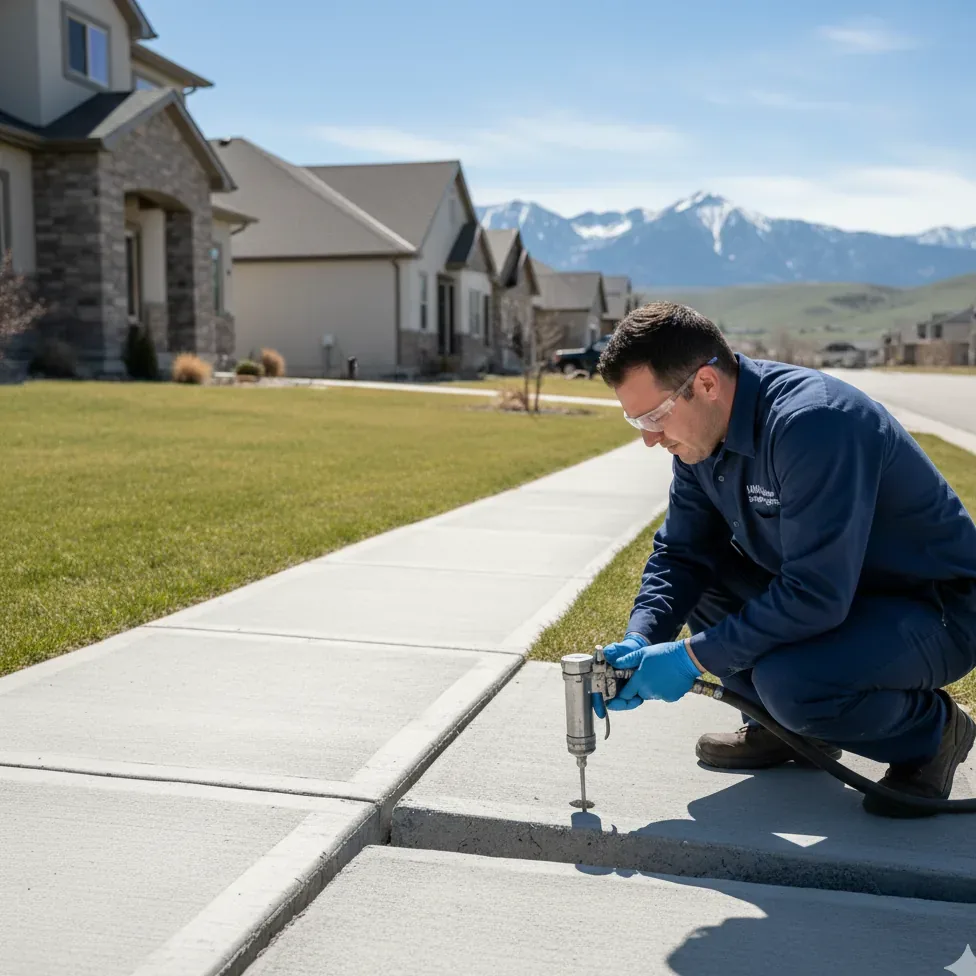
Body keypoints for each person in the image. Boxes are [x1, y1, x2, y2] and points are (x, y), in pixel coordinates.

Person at [592, 302, 976, 817]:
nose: (649, 437)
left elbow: (816, 594)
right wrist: (642, 638)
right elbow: (682, 554)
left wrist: (690, 659)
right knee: (705, 580)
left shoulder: (814, 424)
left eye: (655, 416)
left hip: (935, 609)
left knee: (793, 686)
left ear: (706, 384)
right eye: (635, 419)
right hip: (843, 597)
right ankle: (784, 733)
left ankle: (933, 733)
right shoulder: (700, 442)